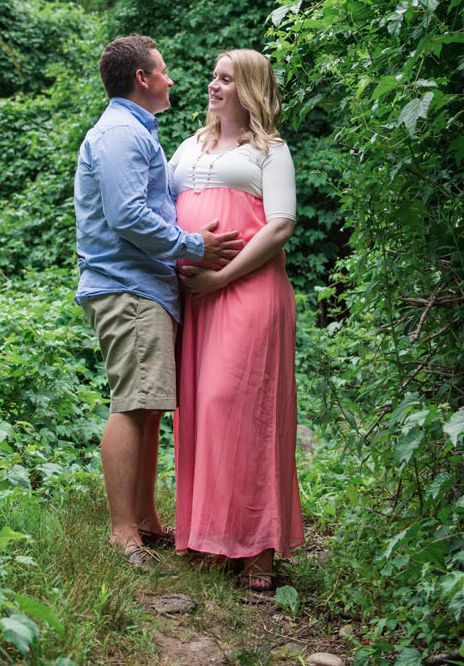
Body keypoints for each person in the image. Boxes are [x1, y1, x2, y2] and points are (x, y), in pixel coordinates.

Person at [74, 34, 244, 570]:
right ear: (143, 79)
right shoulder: (122, 134)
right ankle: (124, 535)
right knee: (133, 405)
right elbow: (127, 216)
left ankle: (144, 520)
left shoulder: (136, 131)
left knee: (148, 406)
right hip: (127, 286)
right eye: (164, 71)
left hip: (144, 287)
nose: (172, 80)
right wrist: (196, 246)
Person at [169, 48, 304, 591]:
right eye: (213, 77)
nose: (213, 85)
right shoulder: (189, 144)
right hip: (194, 299)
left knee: (241, 407)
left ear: (248, 87)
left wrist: (220, 277)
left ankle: (258, 551)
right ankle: (211, 538)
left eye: (226, 79)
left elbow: (280, 226)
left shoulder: (271, 150)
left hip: (247, 292)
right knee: (201, 411)